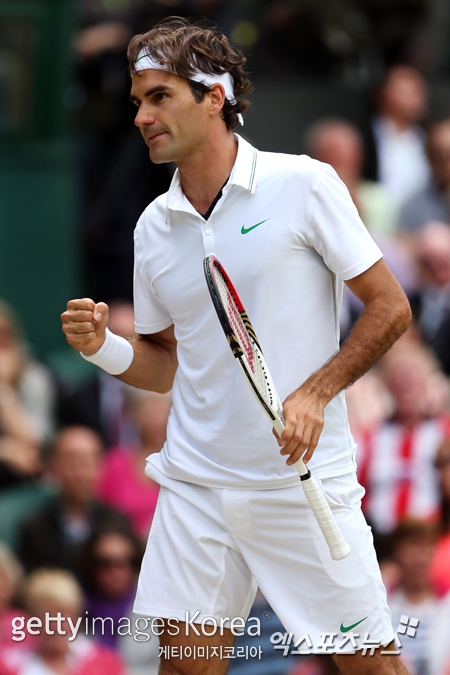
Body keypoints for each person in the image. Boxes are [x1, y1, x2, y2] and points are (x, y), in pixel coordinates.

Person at [61, 16, 412, 674]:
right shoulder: (153, 227)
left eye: (159, 96)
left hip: (303, 484)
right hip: (197, 487)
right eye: (137, 102)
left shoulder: (304, 184)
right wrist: (105, 348)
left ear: (212, 97)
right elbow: (165, 367)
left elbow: (392, 307)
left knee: (374, 667)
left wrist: (316, 391)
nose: (141, 116)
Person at [18, 426, 130, 574]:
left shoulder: (117, 523)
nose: (79, 472)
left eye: (86, 462)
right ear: (53, 466)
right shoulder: (35, 527)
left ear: (101, 467)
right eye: (70, 461)